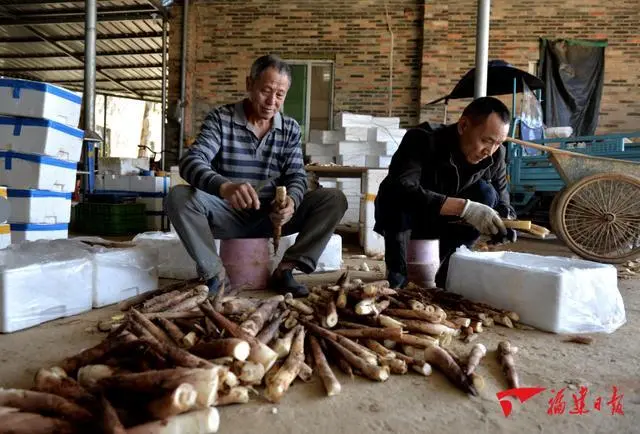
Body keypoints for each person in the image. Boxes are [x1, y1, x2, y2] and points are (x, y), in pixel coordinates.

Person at [166, 54, 347, 297]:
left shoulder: (290, 129)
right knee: (178, 197)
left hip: (271, 217)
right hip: (225, 213)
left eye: (280, 94)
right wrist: (224, 187)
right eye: (265, 91)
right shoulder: (221, 119)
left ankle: (285, 270)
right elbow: (191, 161)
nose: (272, 101)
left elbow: (296, 175)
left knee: (334, 199)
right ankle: (214, 275)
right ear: (249, 84)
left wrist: (291, 202)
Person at [373, 96, 517, 289]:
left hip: (448, 225)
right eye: (485, 140)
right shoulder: (422, 139)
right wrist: (464, 208)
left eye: (498, 143)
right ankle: (398, 272)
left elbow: (502, 197)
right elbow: (402, 189)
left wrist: (506, 222)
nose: (489, 151)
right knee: (397, 194)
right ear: (463, 125)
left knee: (487, 194)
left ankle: (449, 269)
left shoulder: (496, 155)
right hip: (408, 217)